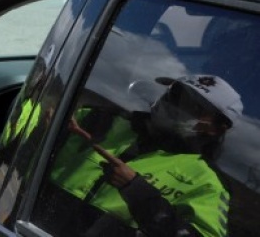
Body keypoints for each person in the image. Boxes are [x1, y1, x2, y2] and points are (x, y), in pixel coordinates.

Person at [36, 74, 240, 237]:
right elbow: (24, 146)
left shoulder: (207, 182)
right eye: (175, 94)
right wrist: (45, 126)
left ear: (216, 129)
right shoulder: (99, 120)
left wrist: (139, 193)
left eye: (191, 105)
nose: (173, 104)